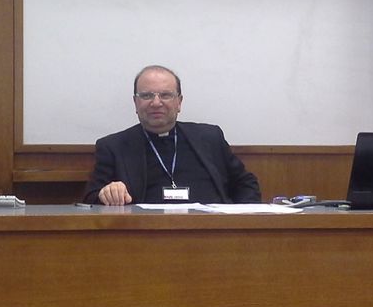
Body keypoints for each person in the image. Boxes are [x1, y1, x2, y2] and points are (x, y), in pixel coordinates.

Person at [82, 65, 261, 205]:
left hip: (212, 232)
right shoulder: (113, 146)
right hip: (145, 235)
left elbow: (246, 184)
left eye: (166, 95)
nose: (156, 103)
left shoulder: (210, 137)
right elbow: (90, 198)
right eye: (146, 96)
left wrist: (241, 222)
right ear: (135, 102)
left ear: (179, 102)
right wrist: (107, 193)